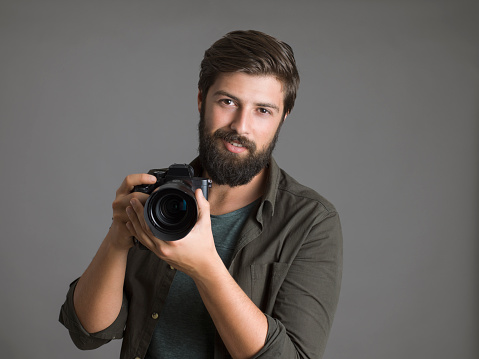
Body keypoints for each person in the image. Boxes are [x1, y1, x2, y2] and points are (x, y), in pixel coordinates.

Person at [59, 30, 343, 359]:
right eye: (228, 102)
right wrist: (117, 238)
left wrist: (206, 268)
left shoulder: (310, 223)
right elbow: (88, 333)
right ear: (200, 100)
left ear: (283, 118)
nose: (241, 126)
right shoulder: (161, 199)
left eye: (262, 110)